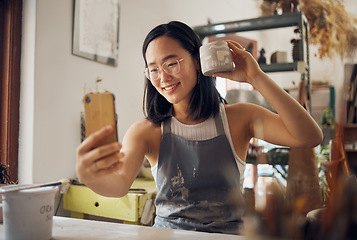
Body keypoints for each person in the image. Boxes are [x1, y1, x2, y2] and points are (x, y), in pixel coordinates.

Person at [76, 21, 323, 234]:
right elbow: (118, 185)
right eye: (153, 69)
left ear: (197, 61)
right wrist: (87, 174)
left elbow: (310, 136)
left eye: (171, 63)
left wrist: (254, 77)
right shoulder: (146, 131)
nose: (163, 77)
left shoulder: (240, 118)